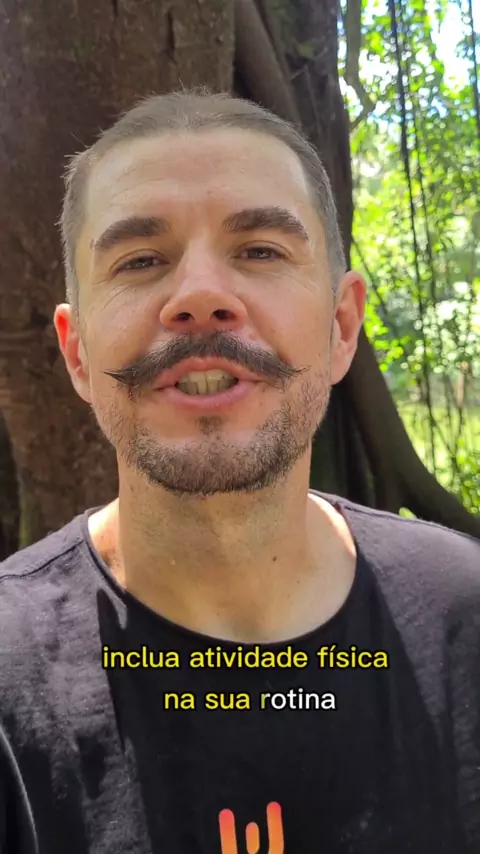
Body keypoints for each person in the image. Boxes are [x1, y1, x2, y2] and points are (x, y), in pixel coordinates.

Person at [0, 88, 479, 854]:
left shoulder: (465, 617)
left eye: (260, 251)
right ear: (78, 351)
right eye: (141, 260)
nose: (200, 297)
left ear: (342, 326)